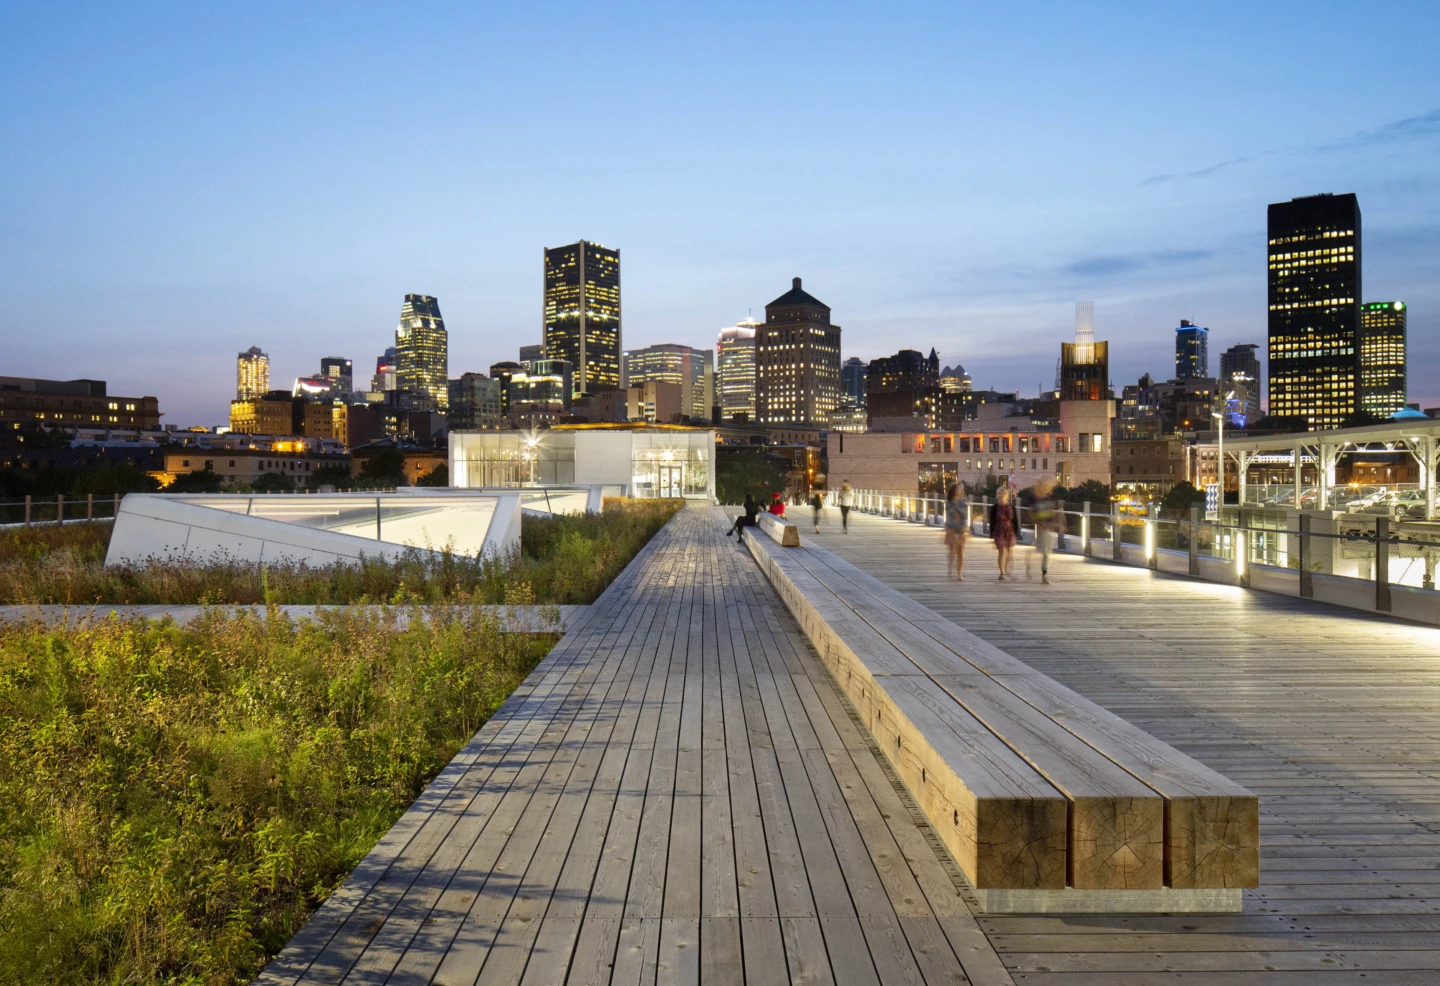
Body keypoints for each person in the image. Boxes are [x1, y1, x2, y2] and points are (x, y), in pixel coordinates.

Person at [1031, 477, 1059, 584]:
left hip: (1050, 527)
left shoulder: (1052, 498)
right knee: (1042, 550)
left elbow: (1057, 512)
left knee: (1047, 552)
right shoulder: (1034, 499)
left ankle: (1044, 574)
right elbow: (1031, 513)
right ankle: (1033, 568)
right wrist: (1038, 523)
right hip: (1041, 528)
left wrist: (1060, 524)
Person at [944, 483, 969, 580]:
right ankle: (950, 569)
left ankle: (959, 573)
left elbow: (964, 516)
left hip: (961, 529)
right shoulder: (948, 503)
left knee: (961, 550)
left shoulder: (963, 502)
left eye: (962, 489)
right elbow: (949, 517)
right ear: (954, 490)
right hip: (951, 528)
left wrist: (964, 528)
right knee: (952, 550)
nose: (960, 490)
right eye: (958, 489)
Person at [993, 486, 1017, 580]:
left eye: (1003, 493)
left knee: (1009, 552)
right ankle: (1002, 572)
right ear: (997, 495)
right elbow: (992, 521)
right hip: (999, 530)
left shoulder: (1011, 506)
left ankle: (1006, 569)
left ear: (1007, 495)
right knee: (1001, 551)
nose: (1001, 495)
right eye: (1000, 493)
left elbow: (1015, 520)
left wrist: (1016, 532)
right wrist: (991, 534)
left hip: (1009, 530)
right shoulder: (995, 507)